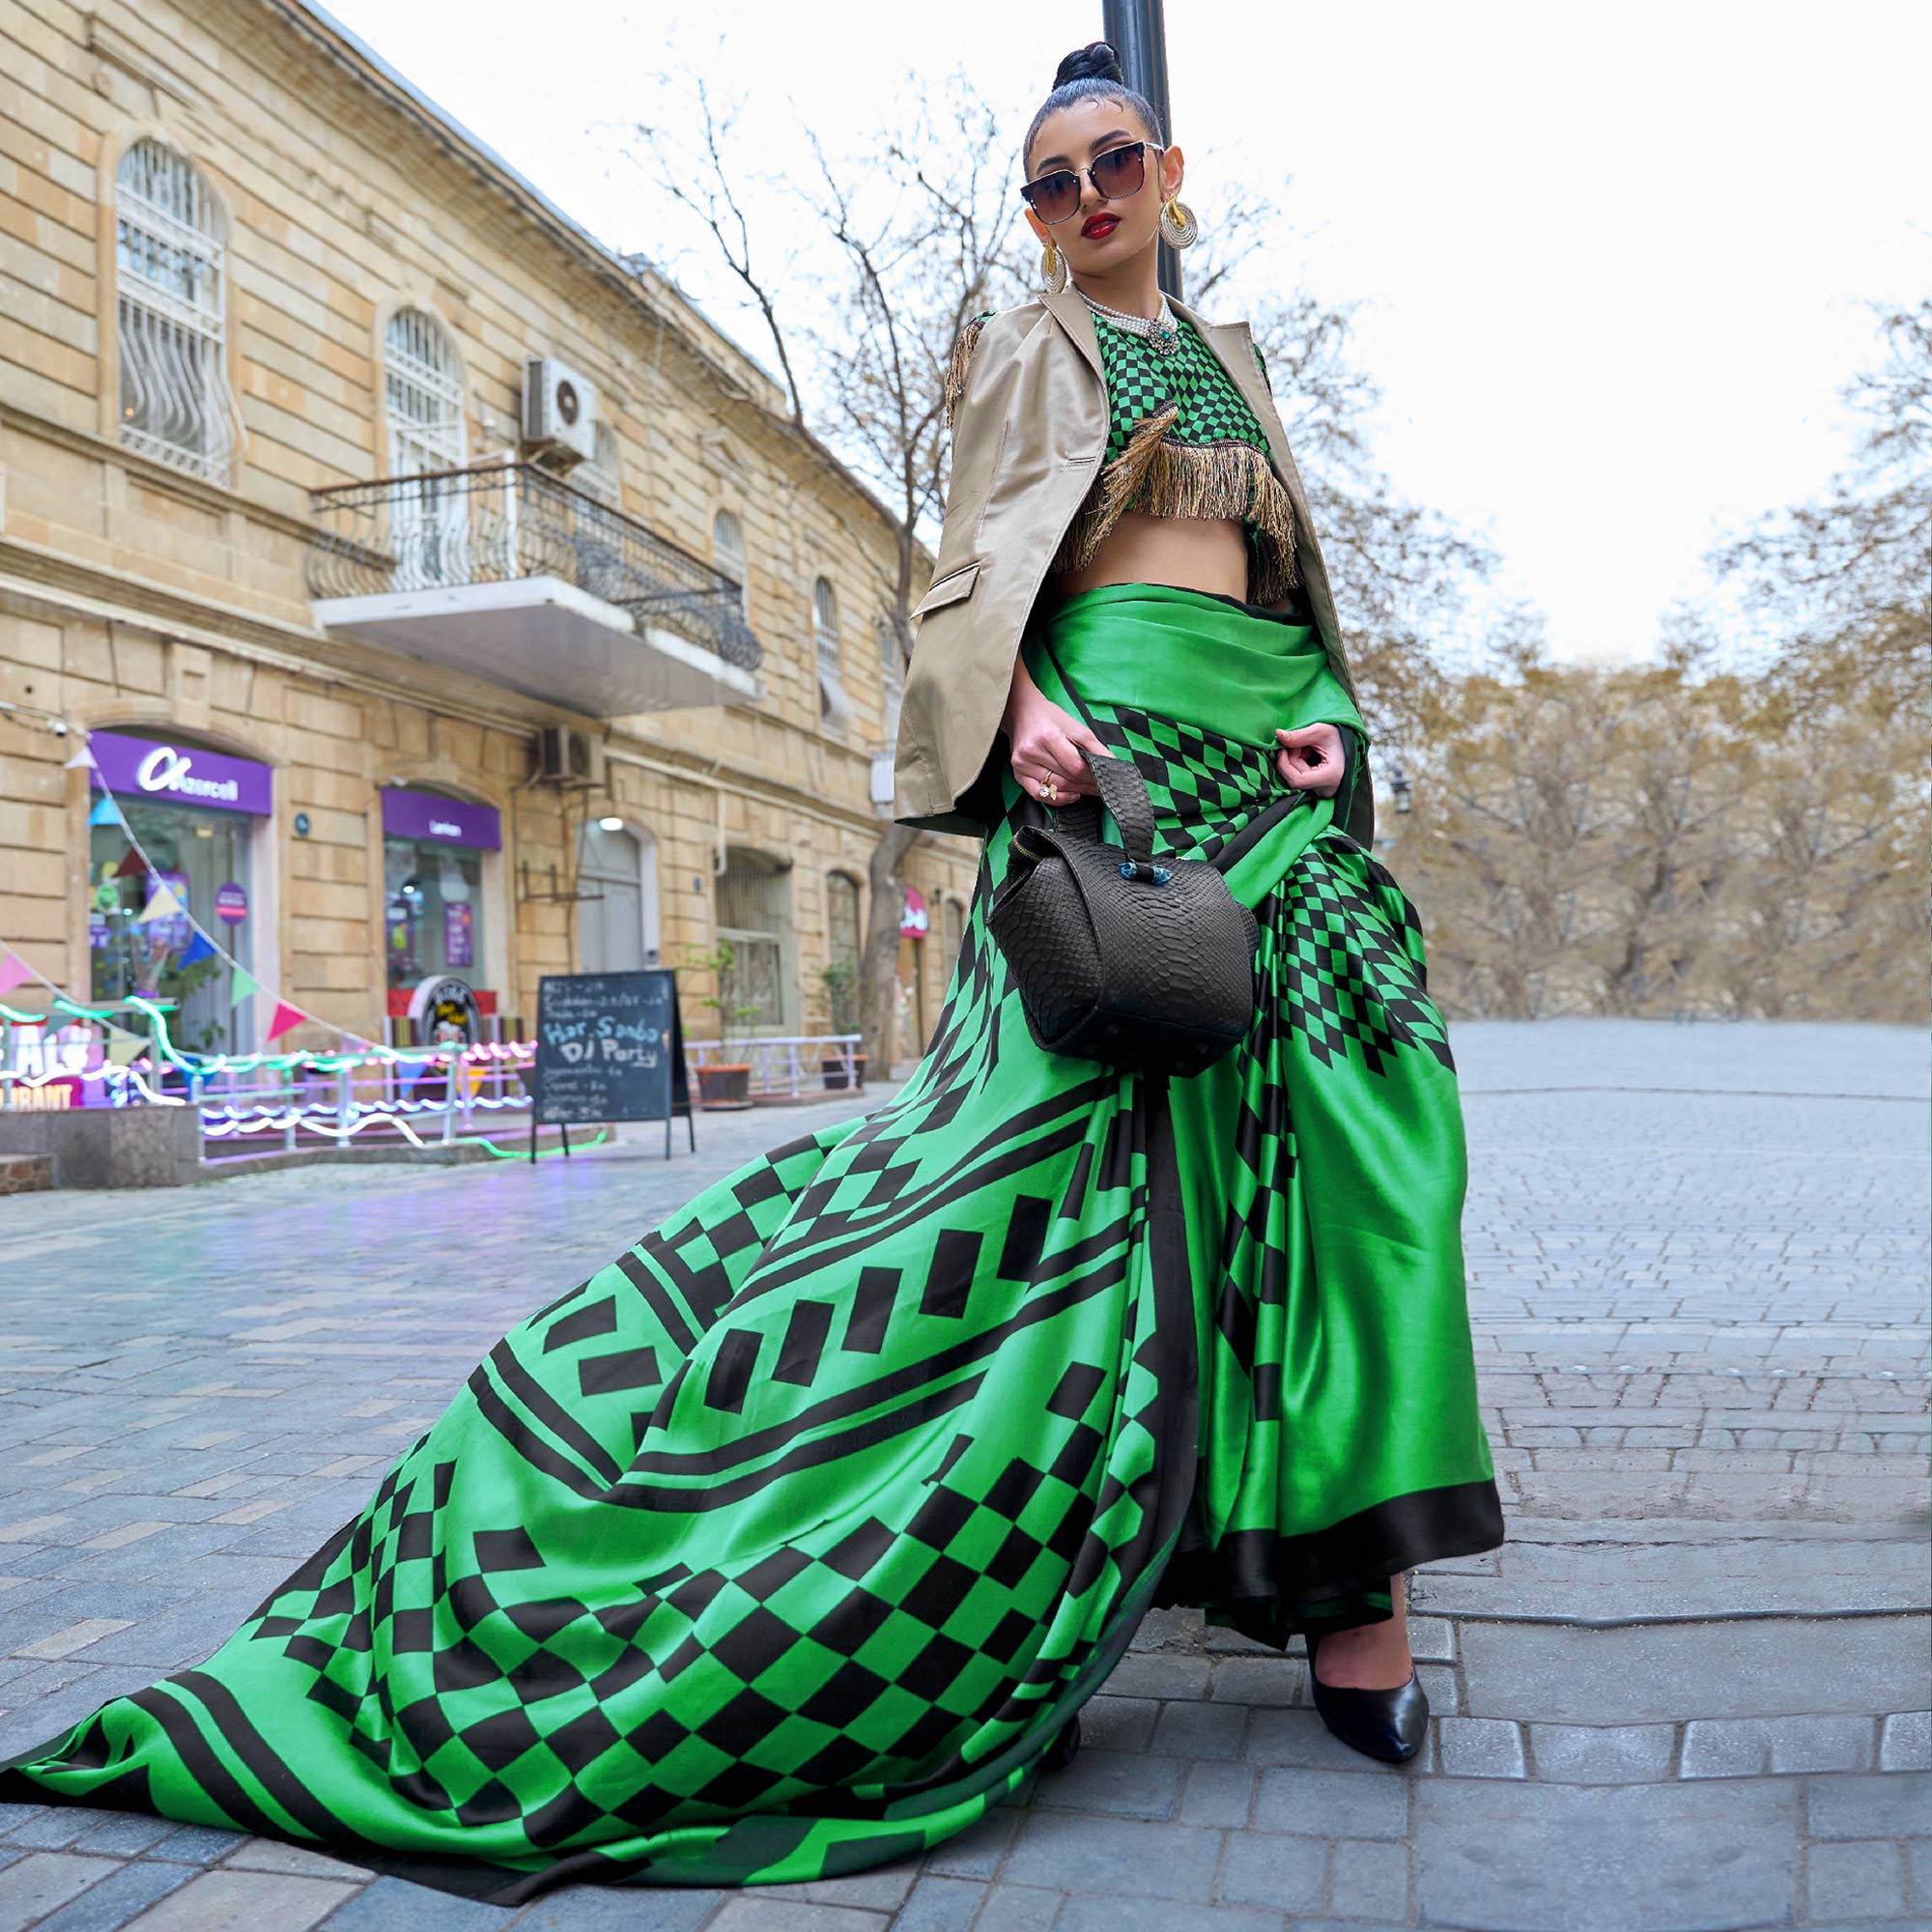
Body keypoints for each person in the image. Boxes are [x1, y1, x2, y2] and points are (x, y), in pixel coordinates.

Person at [0, 40, 1504, 1906]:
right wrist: (1025, 708)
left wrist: (1334, 732)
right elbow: (975, 572)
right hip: (1113, 777)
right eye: (1050, 180)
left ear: (1171, 170)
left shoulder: (1245, 364)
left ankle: (1348, 1579)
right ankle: (740, 1514)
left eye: (1114, 163)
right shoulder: (1025, 350)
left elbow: (1303, 595)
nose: (1088, 197)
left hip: (1267, 772)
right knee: (1021, 1195)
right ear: (1032, 213)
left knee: (1361, 1146)